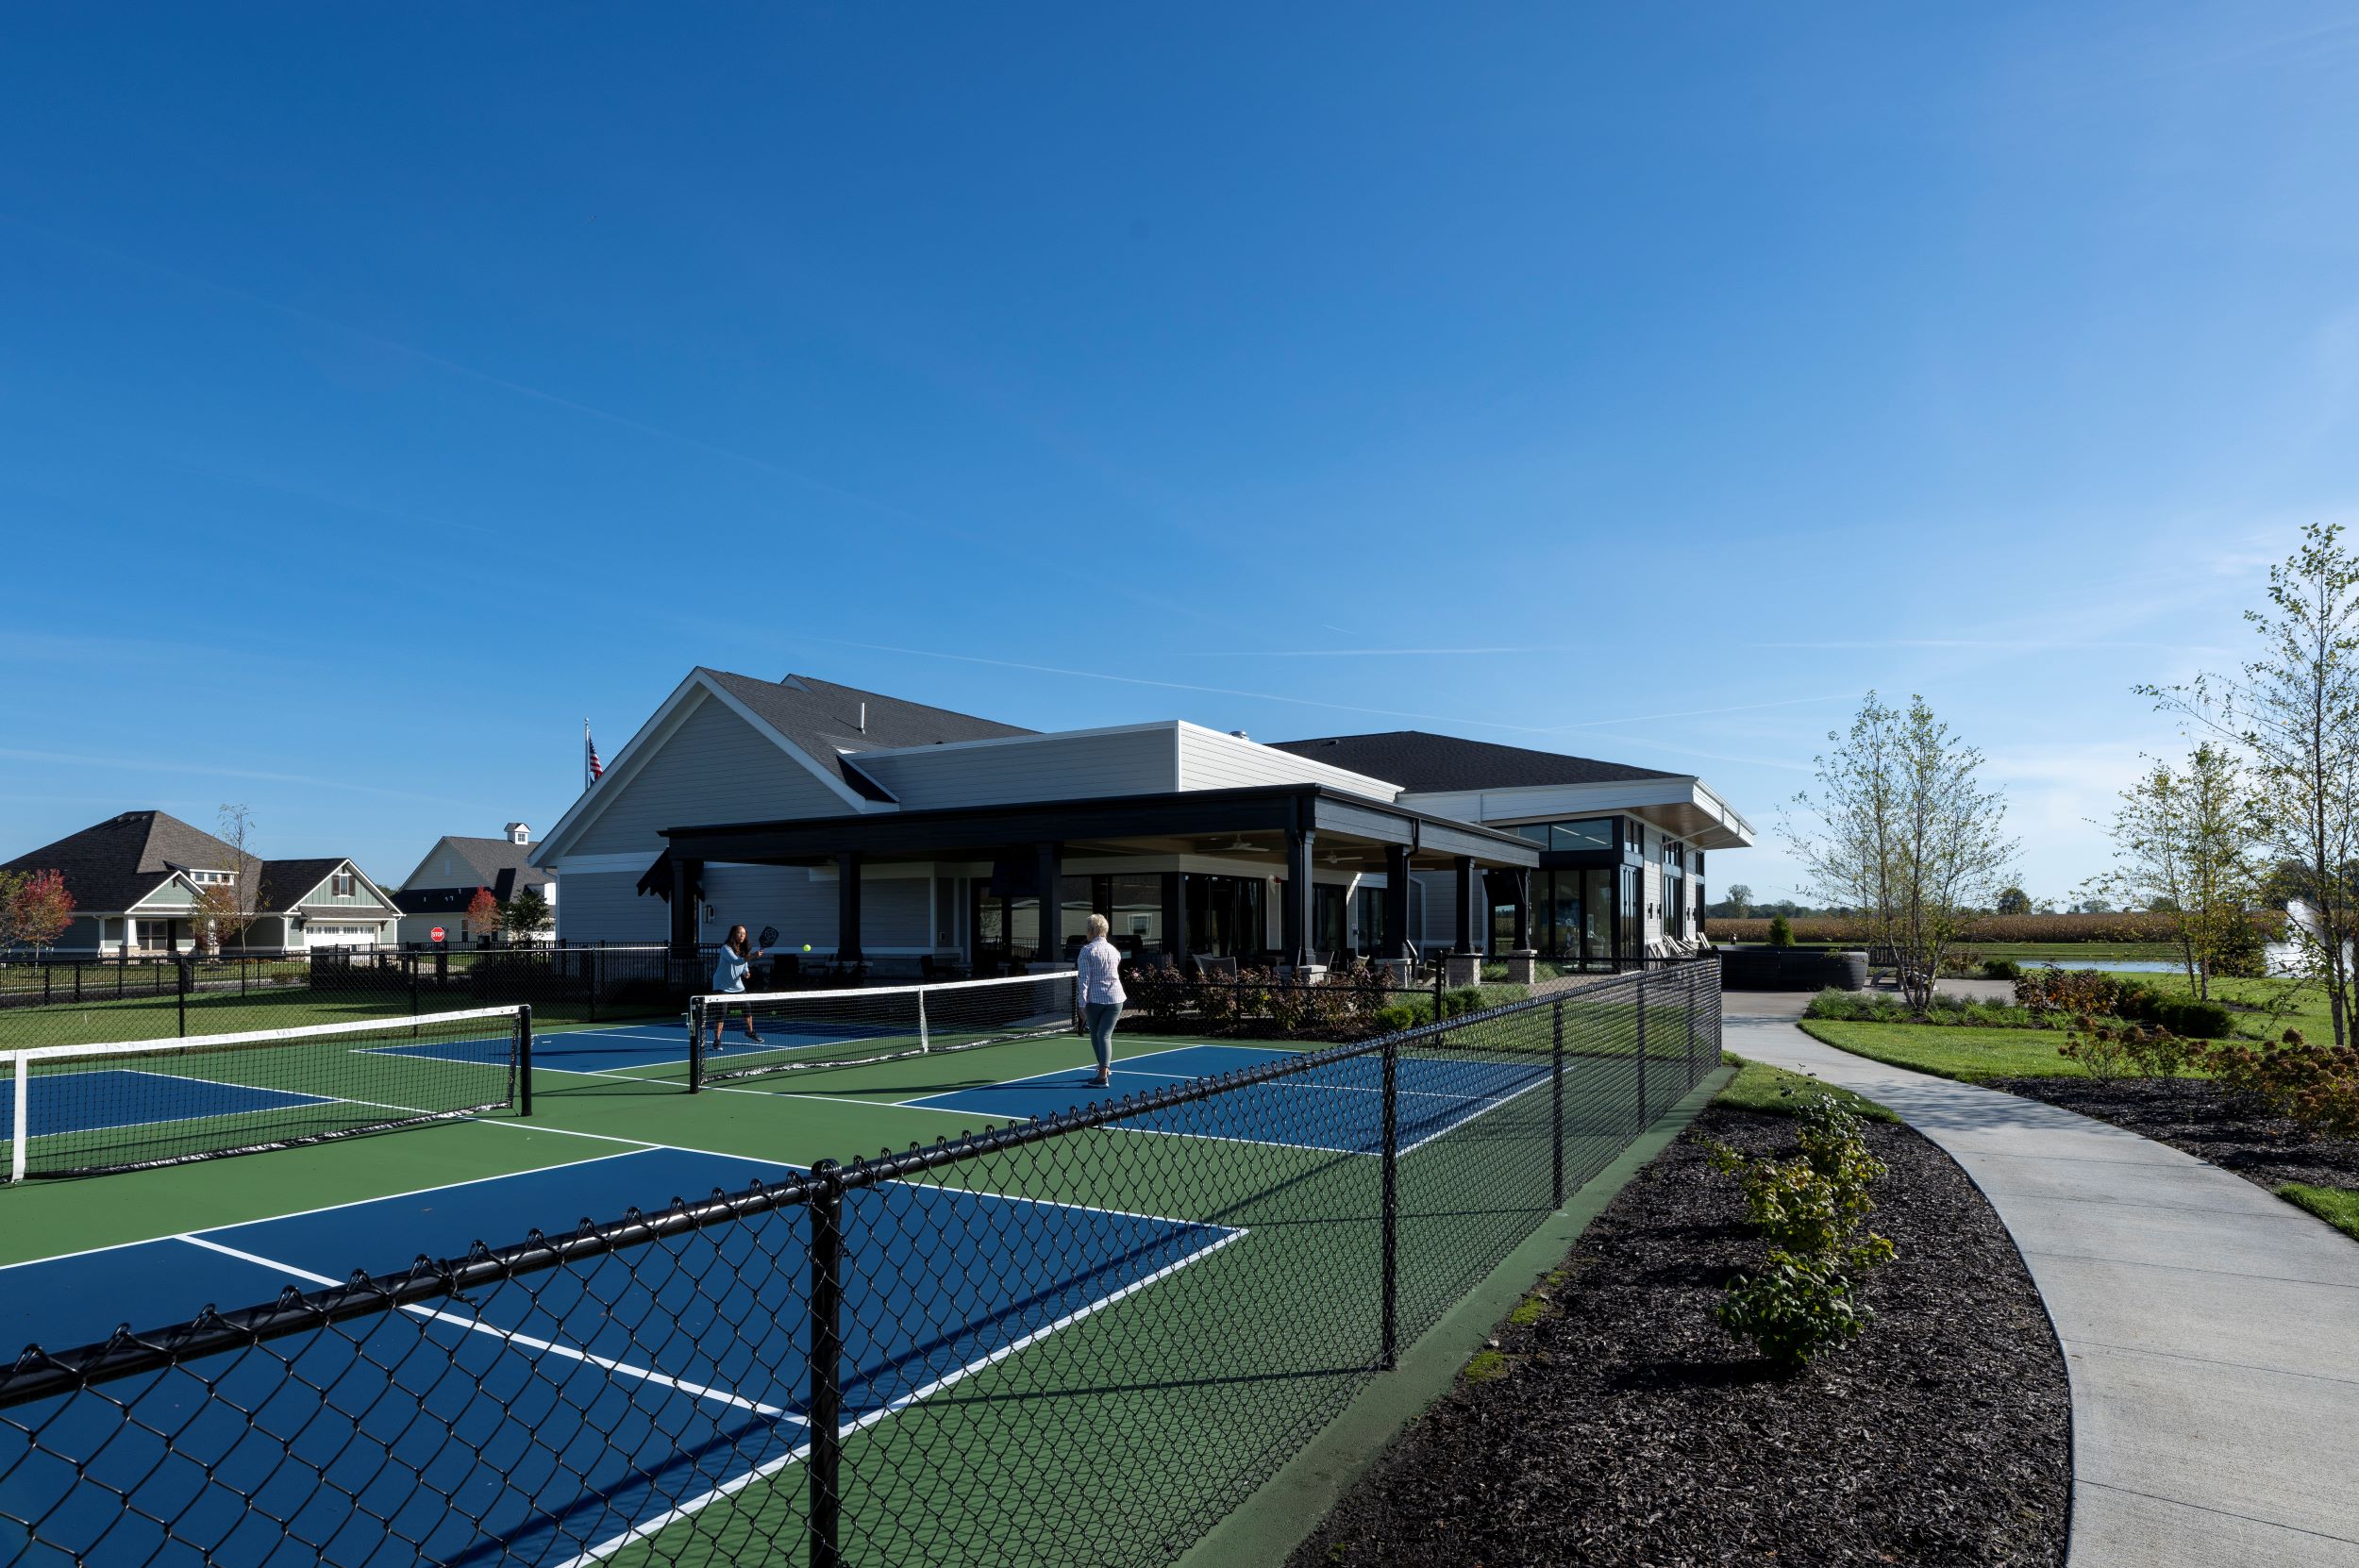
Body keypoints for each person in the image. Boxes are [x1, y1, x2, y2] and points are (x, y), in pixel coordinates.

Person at [1076, 912, 1126, 1088]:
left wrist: (1081, 1004)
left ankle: (1103, 1074)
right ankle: (1104, 1069)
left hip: (1095, 1000)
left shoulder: (1087, 951)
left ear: (1090, 930)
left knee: (1100, 1035)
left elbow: (1084, 979)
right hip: (1116, 998)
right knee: (1102, 1035)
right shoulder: (1114, 950)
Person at [709, 923, 766, 1050]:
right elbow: (736, 961)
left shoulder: (745, 949)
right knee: (721, 1013)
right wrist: (753, 956)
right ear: (734, 934)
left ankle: (750, 1032)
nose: (742, 935)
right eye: (740, 933)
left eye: (744, 933)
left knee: (747, 1008)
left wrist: (746, 972)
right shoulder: (726, 948)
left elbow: (744, 965)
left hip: (737, 985)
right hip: (721, 985)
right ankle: (717, 1041)